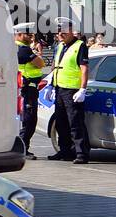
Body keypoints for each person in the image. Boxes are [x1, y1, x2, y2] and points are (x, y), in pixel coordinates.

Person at [47, 17, 91, 164]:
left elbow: (84, 69)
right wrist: (51, 85)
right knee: (61, 122)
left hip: (72, 90)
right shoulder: (60, 46)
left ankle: (81, 153)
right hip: (59, 88)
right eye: (58, 32)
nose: (60, 35)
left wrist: (82, 89)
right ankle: (64, 151)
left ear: (71, 31)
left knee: (75, 122)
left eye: (63, 32)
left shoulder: (80, 46)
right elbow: (56, 66)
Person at [14, 23, 45, 159]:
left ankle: (23, 147)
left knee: (28, 119)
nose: (31, 37)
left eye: (31, 34)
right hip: (28, 88)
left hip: (27, 88)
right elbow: (41, 64)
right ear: (19, 34)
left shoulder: (19, 47)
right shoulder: (24, 49)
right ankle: (22, 148)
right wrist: (37, 56)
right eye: (28, 34)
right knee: (29, 119)